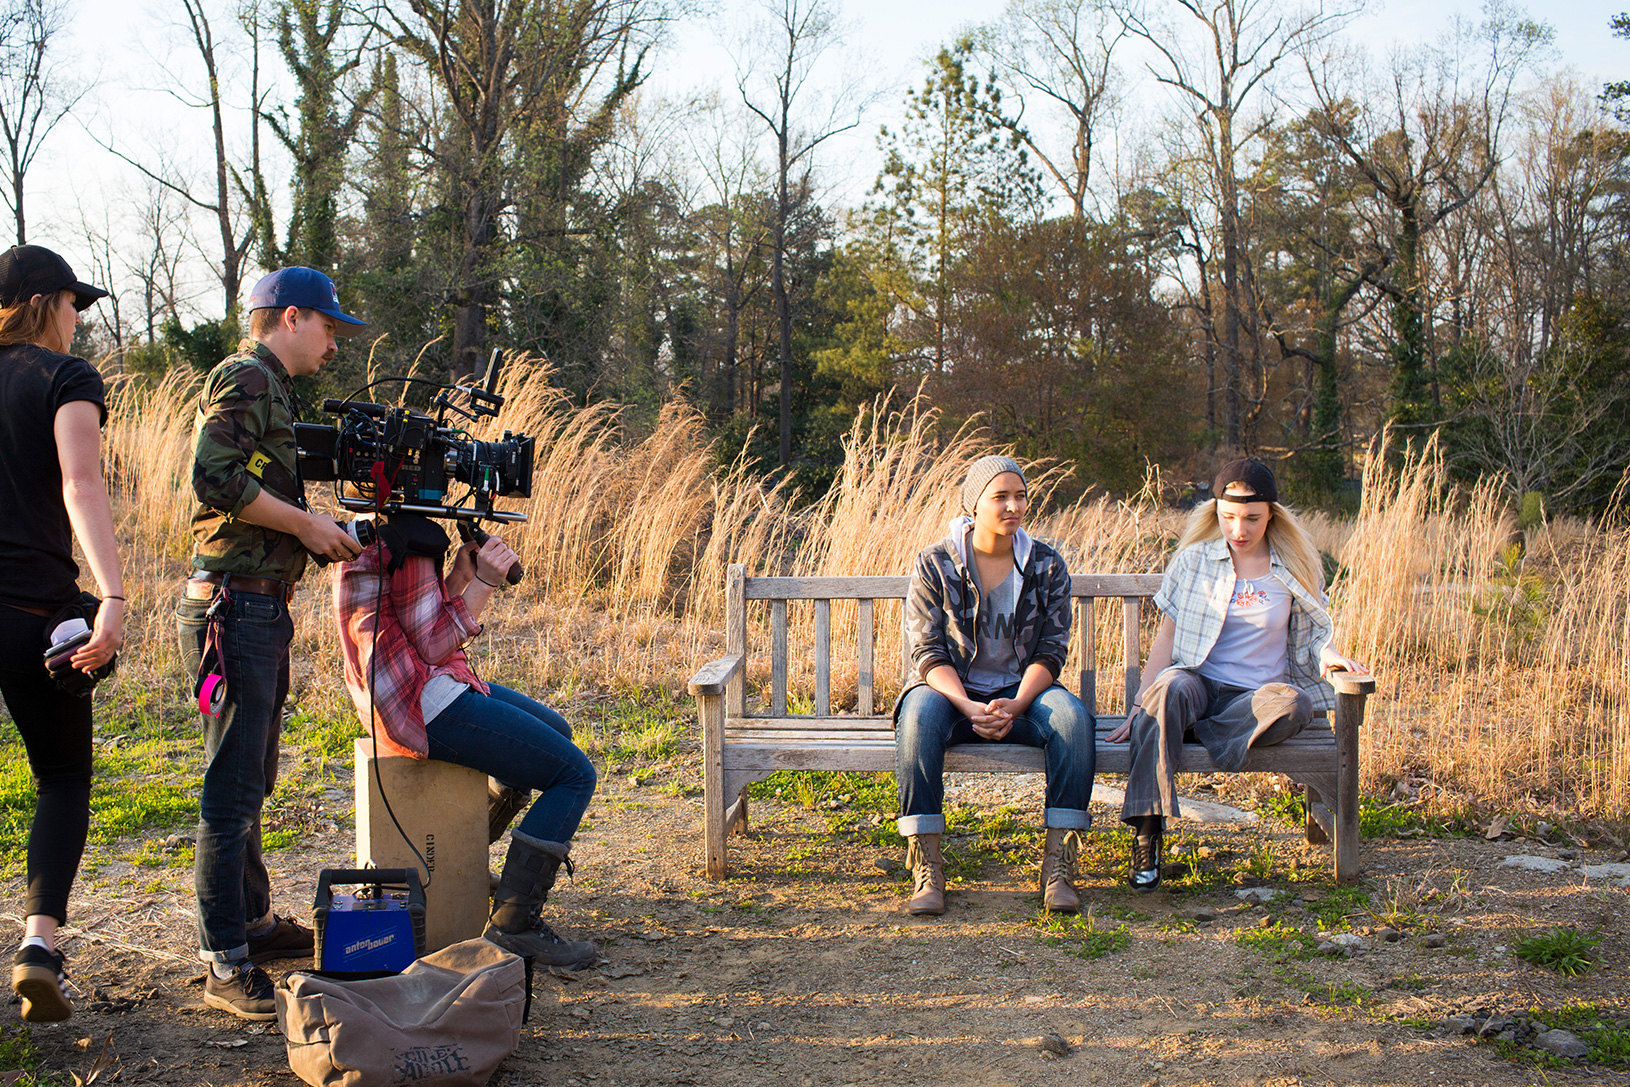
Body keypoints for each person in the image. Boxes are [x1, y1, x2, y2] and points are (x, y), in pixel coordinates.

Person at [175, 268, 365, 1020]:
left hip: (257, 606)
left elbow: (252, 492)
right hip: (234, 611)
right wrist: (305, 525)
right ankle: (223, 958)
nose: (332, 344)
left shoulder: (269, 387)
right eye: (328, 328)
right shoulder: (248, 376)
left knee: (252, 778)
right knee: (231, 790)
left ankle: (250, 921)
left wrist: (325, 535)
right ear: (291, 317)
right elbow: (212, 474)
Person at [333, 513, 599, 968]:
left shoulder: (381, 527)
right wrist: (486, 584)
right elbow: (434, 643)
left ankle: (469, 858)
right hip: (418, 701)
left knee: (557, 734)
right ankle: (515, 925)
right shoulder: (412, 542)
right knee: (574, 775)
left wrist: (460, 574)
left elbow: (417, 620)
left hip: (406, 685)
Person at [1107, 458, 1369, 890]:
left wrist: (1330, 657)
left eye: (1252, 518)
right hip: (1198, 684)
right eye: (1228, 518)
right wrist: (1141, 702)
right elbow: (1167, 637)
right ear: (1215, 512)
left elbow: (1314, 632)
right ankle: (1147, 834)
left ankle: (1196, 730)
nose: (1239, 530)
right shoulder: (1195, 561)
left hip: (1254, 698)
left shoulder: (1293, 565)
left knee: (1294, 704)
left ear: (1271, 515)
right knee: (1168, 690)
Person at [0, 245, 123, 1022]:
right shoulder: (64, 379)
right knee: (63, 779)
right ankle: (39, 945)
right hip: (28, 613)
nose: (79, 319)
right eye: (75, 304)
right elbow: (82, 481)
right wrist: (110, 591)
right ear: (46, 302)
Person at [894, 455, 1096, 916]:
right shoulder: (936, 563)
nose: (1013, 506)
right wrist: (967, 706)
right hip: (951, 694)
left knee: (1072, 719)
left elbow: (1051, 650)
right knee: (918, 717)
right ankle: (927, 866)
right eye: (1000, 497)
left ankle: (1058, 869)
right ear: (974, 504)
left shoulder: (1046, 565)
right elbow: (927, 652)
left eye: (1020, 496)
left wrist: (1020, 703)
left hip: (1023, 693)